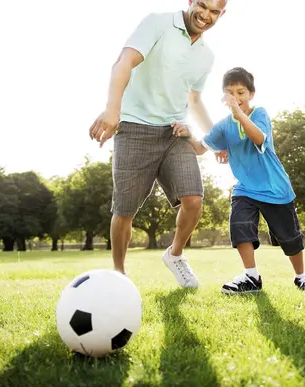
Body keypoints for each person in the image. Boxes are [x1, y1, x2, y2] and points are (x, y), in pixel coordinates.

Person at [88, 0, 229, 288]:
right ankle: (119, 274)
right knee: (124, 210)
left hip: (174, 133)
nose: (206, 15)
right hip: (134, 128)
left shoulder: (206, 56)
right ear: (190, 1)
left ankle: (175, 254)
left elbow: (194, 100)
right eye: (202, 5)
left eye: (214, 11)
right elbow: (123, 62)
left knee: (194, 200)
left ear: (221, 14)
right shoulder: (157, 23)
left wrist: (215, 139)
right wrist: (113, 109)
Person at [176, 67, 305, 294]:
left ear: (251, 94)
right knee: (240, 227)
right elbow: (200, 148)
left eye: (241, 92)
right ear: (224, 96)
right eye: (230, 93)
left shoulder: (259, 113)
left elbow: (258, 137)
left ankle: (301, 276)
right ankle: (252, 277)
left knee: (289, 238)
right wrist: (187, 133)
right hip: (245, 189)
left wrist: (239, 114)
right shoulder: (223, 126)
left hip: (275, 189)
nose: (236, 97)